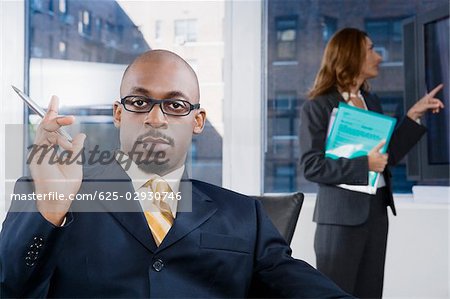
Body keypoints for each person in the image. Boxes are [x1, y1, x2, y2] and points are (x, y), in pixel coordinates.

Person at [1, 49, 352, 298]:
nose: (156, 118)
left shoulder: (246, 217)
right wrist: (49, 210)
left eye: (176, 104)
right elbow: (9, 287)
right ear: (119, 114)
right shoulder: (53, 193)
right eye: (139, 102)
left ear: (197, 120)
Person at [299, 28, 444, 298]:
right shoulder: (318, 106)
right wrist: (365, 164)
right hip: (339, 221)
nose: (378, 57)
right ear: (351, 55)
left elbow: (385, 158)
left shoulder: (371, 101)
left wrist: (412, 116)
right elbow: (311, 166)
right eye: (371, 49)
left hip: (376, 215)